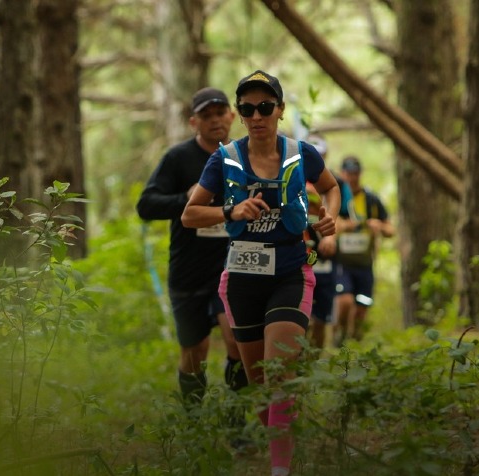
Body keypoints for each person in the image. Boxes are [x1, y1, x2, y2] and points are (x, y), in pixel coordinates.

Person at [181, 70, 340, 476]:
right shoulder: (225, 159)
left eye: (265, 107)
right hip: (241, 280)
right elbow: (189, 214)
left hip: (290, 272)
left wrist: (330, 219)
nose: (257, 115)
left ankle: (280, 468)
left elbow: (331, 187)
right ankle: (287, 438)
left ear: (280, 111)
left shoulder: (302, 153)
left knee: (279, 376)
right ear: (240, 114)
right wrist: (231, 210)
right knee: (259, 386)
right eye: (248, 109)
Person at [136, 87, 248, 407]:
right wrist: (186, 197)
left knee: (235, 342)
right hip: (189, 270)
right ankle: (194, 424)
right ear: (193, 122)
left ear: (231, 116)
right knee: (195, 352)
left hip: (232, 267)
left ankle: (236, 426)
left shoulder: (244, 157)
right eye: (206, 116)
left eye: (219, 114)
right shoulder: (178, 158)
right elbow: (146, 205)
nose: (215, 121)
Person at [333, 155, 394, 345]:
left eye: (355, 174)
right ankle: (339, 336)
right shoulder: (336, 197)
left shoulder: (371, 199)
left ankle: (355, 342)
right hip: (342, 262)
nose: (352, 178)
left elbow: (390, 230)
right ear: (342, 174)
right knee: (344, 302)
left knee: (361, 307)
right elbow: (325, 223)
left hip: (365, 264)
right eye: (348, 174)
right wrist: (343, 226)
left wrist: (379, 226)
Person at [303, 134, 340, 350]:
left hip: (324, 258)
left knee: (320, 318)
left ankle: (313, 362)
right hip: (299, 254)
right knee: (300, 316)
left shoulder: (336, 183)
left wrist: (331, 235)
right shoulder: (289, 178)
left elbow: (346, 218)